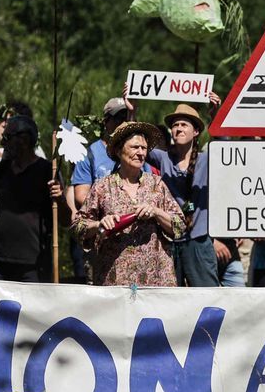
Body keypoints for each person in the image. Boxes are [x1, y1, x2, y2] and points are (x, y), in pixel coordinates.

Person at [74, 122, 185, 286]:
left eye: (144, 148)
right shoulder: (102, 187)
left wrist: (156, 212)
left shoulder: (156, 184)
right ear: (119, 151)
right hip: (115, 281)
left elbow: (180, 226)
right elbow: (78, 227)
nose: (140, 153)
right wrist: (99, 224)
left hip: (156, 280)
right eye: (135, 147)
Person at [0, 115, 66, 282]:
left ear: (23, 140)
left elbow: (66, 220)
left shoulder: (47, 171)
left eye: (7, 138)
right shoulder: (3, 169)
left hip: (33, 264)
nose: (2, 144)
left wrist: (60, 199)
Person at [147, 104, 218, 287]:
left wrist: (215, 114)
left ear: (195, 132)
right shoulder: (164, 158)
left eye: (184, 125)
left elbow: (223, 147)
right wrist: (132, 112)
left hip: (198, 240)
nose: (178, 128)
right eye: (175, 125)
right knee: (171, 299)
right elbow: (136, 144)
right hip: (170, 240)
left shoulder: (206, 159)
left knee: (206, 296)